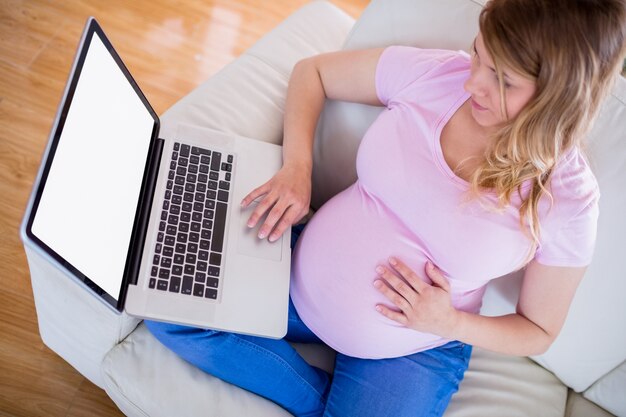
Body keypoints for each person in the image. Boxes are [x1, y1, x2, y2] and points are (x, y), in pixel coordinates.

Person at [145, 0, 626, 416]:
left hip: (414, 346)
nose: (474, 82)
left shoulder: (567, 198)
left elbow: (539, 330)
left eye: (502, 80)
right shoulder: (440, 76)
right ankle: (320, 403)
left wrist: (450, 323)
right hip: (294, 274)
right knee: (169, 311)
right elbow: (312, 72)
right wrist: (297, 166)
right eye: (481, 53)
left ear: (558, 99)